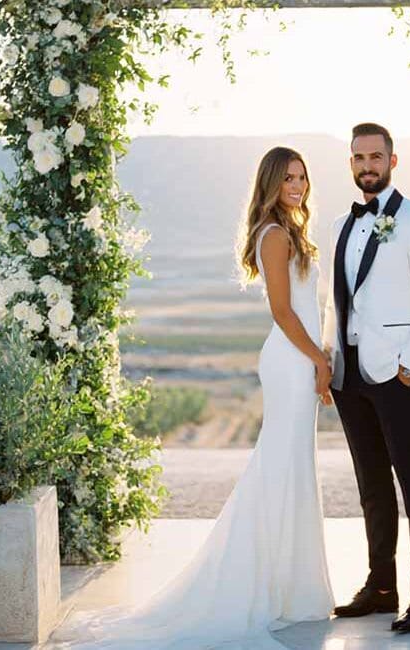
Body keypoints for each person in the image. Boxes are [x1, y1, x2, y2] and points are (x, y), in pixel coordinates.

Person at [52, 146, 333, 649]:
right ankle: (256, 585)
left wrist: (319, 354)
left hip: (300, 359)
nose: (298, 185)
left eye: (302, 177)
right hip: (291, 361)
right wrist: (319, 360)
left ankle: (293, 589)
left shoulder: (292, 232)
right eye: (288, 178)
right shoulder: (273, 236)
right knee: (278, 468)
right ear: (270, 183)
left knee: (294, 468)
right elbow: (283, 313)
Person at [322, 122, 410, 634]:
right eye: (358, 158)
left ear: (392, 162)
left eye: (376, 157)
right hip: (350, 372)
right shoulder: (340, 225)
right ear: (351, 164)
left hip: (396, 372)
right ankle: (381, 587)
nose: (367, 166)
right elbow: (335, 299)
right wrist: (331, 361)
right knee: (372, 486)